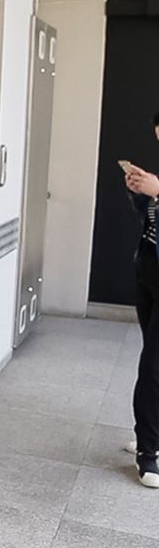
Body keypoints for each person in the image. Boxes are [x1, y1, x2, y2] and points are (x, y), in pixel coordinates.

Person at [123, 115, 159, 488]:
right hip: (148, 276)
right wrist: (140, 192)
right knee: (152, 360)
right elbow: (148, 221)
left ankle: (149, 453)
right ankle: (149, 434)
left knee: (153, 368)